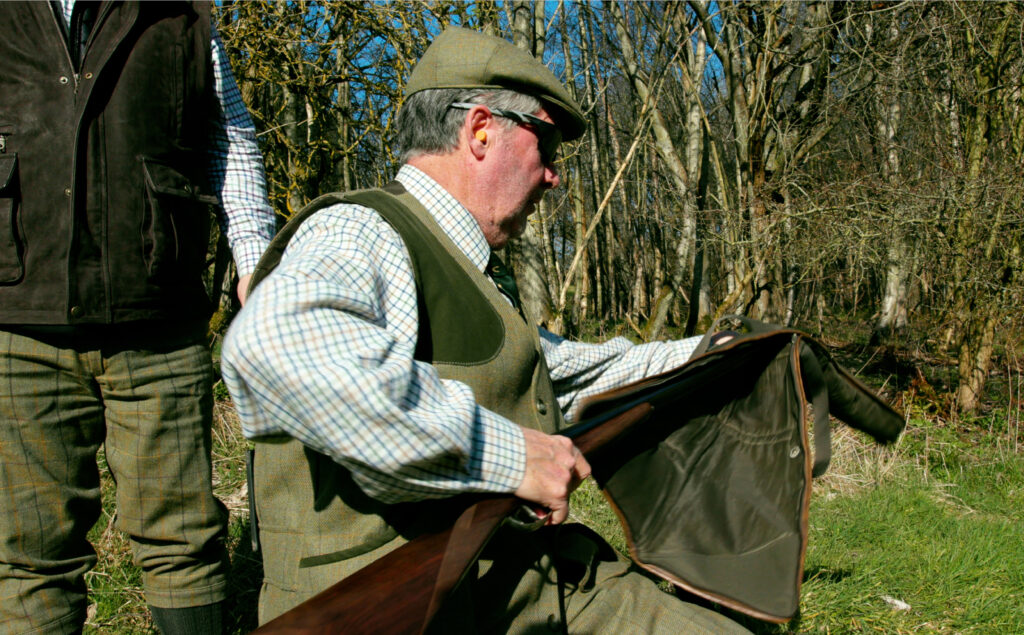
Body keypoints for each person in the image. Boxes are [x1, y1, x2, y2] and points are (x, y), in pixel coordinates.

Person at [222, 27, 748, 633]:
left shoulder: (468, 265)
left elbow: (568, 371)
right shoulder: (361, 231)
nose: (554, 177)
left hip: (520, 585)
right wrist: (511, 455)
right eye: (546, 146)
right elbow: (277, 347)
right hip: (379, 616)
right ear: (480, 130)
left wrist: (725, 352)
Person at [0, 2, 275, 633]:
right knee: (29, 554)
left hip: (158, 319)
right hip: (20, 321)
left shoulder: (184, 15)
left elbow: (228, 136)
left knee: (182, 538)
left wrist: (254, 258)